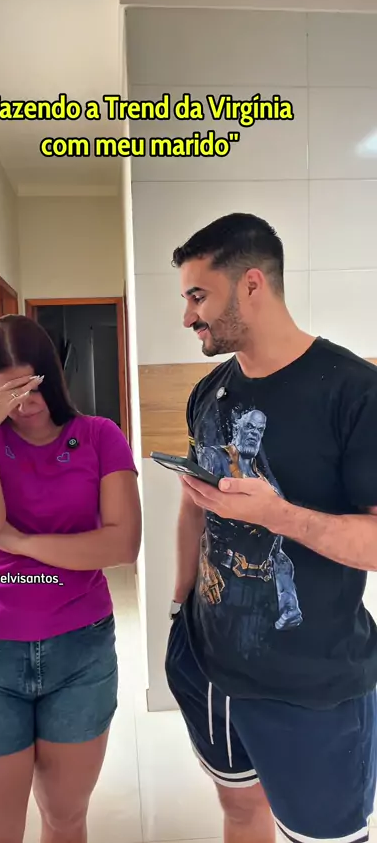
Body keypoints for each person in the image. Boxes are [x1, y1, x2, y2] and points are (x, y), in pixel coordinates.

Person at [165, 212, 377, 843]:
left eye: (198, 296)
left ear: (251, 284)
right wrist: (179, 609)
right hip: (209, 665)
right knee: (239, 812)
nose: (187, 317)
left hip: (313, 687)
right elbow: (195, 508)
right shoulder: (209, 392)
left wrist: (278, 516)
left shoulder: (355, 392)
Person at [0, 314, 141, 843]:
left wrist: (22, 543)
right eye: (7, 392)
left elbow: (121, 545)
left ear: (53, 375)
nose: (24, 404)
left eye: (32, 387)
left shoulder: (99, 435)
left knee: (64, 818)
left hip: (80, 652)